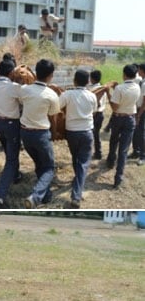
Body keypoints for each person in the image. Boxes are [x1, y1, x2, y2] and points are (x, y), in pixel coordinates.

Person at [19, 59, 61, 208]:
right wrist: (54, 134)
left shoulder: (24, 89)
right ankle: (35, 197)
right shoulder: (51, 95)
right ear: (51, 75)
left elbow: (22, 102)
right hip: (41, 135)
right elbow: (53, 118)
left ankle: (46, 195)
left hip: (25, 134)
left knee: (39, 163)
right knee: (49, 167)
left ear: (36, 73)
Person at [59, 70, 97, 208]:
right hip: (87, 131)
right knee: (82, 163)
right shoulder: (92, 96)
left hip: (72, 132)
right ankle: (76, 194)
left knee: (76, 158)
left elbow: (57, 106)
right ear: (88, 82)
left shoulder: (67, 94)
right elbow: (94, 110)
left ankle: (76, 191)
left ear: (74, 81)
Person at [0, 59, 23, 209]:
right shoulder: (14, 87)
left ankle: (16, 176)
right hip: (12, 125)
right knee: (11, 159)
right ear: (11, 73)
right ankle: (0, 196)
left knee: (10, 154)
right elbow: (24, 98)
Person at [105, 64, 140, 188]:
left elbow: (115, 107)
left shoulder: (119, 88)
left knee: (114, 140)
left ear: (124, 74)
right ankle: (118, 178)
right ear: (135, 75)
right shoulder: (137, 87)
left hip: (118, 118)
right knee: (124, 149)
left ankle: (110, 161)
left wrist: (109, 94)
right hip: (130, 118)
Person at [88, 70, 106, 160]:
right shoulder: (102, 87)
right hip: (101, 114)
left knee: (91, 134)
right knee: (96, 134)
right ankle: (98, 153)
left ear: (92, 78)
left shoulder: (93, 90)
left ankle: (91, 153)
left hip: (95, 114)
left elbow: (97, 103)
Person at [131, 63, 145, 165]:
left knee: (141, 133)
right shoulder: (141, 81)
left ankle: (142, 156)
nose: (137, 72)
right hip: (138, 109)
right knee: (136, 131)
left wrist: (139, 114)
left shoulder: (144, 84)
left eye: (139, 70)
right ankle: (135, 152)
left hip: (142, 110)